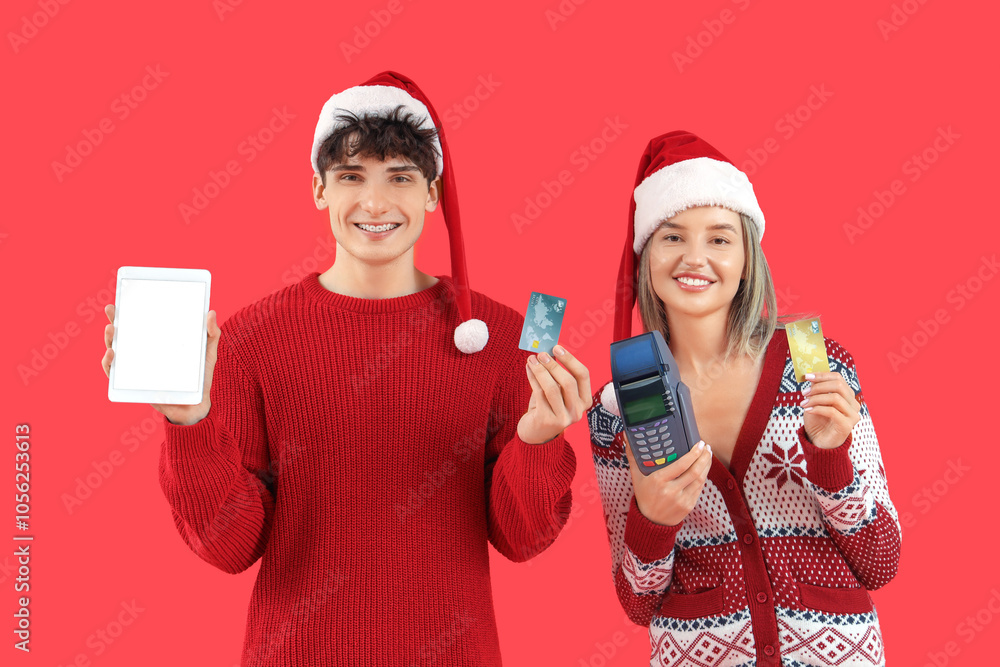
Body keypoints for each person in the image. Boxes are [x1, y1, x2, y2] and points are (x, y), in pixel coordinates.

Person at [100, 71, 589, 666]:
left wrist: (539, 440)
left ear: (432, 192)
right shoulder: (251, 339)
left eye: (400, 178)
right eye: (351, 176)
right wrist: (189, 423)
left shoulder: (505, 338)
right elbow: (229, 548)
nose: (375, 203)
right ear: (319, 188)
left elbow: (524, 539)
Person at [587, 131, 900, 666]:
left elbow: (880, 561)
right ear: (644, 256)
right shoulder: (617, 408)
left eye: (720, 239)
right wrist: (654, 520)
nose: (695, 258)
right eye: (672, 236)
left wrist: (831, 459)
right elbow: (638, 602)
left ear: (748, 258)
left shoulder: (813, 359)